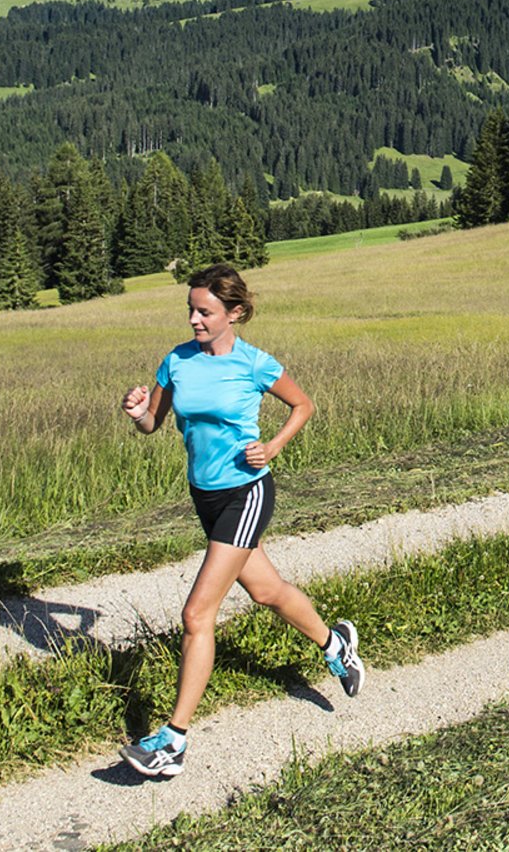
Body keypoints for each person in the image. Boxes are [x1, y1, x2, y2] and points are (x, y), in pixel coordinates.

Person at [117, 262, 364, 779]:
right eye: (190, 309)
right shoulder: (176, 362)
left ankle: (173, 742)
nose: (193, 320)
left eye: (204, 311)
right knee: (267, 591)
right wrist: (138, 410)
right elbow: (151, 425)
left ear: (233, 313)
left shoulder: (255, 363)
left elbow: (303, 405)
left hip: (247, 492)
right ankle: (334, 644)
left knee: (196, 614)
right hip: (204, 496)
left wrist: (271, 445)